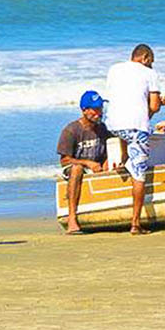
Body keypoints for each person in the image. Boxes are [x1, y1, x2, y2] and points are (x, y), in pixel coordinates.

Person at [104, 44, 165, 234]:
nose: (152, 66)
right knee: (139, 174)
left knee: (130, 133)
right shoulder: (150, 74)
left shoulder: (114, 69)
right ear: (145, 58)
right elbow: (154, 107)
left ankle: (124, 158)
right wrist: (159, 105)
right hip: (135, 128)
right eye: (151, 62)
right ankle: (136, 223)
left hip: (112, 124)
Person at [58, 90, 112, 235]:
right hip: (74, 167)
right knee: (77, 169)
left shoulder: (102, 128)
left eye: (100, 108)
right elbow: (64, 160)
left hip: (96, 167)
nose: (99, 113)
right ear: (84, 110)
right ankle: (72, 218)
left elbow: (112, 145)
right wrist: (87, 163)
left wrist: (107, 161)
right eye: (95, 109)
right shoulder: (71, 130)